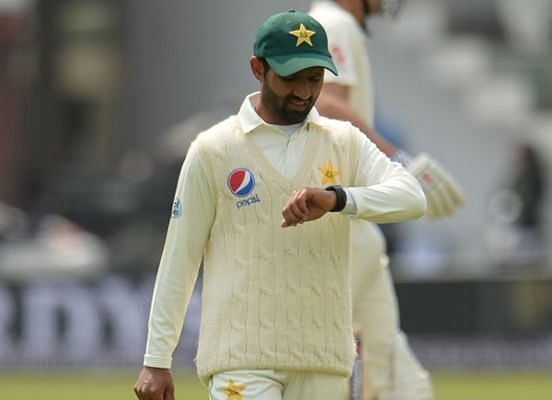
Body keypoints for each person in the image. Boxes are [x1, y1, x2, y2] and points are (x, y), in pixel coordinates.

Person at [133, 10, 426, 400]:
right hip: (241, 359)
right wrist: (157, 359)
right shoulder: (214, 150)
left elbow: (412, 196)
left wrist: (338, 198)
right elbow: (180, 258)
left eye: (315, 78)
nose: (304, 92)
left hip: (321, 358)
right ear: (258, 68)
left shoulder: (343, 141)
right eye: (291, 77)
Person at [309, 1, 466, 399]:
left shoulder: (334, 23)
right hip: (338, 225)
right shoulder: (336, 21)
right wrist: (397, 160)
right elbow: (325, 101)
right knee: (323, 362)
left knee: (392, 371)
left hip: (352, 222)